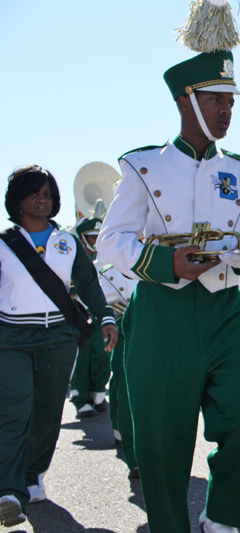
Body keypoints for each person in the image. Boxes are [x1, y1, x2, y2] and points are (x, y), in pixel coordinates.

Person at [96, 6, 240, 529]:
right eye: (215, 100)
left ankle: (222, 520)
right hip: (160, 314)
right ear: (185, 100)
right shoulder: (143, 165)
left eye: (230, 101)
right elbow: (112, 241)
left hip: (223, 310)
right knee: (162, 443)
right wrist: (164, 262)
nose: (226, 110)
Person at [0, 165, 117, 528]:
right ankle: (9, 491)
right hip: (11, 338)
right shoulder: (4, 241)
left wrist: (107, 317)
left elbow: (88, 282)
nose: (42, 199)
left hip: (58, 338)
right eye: (34, 192)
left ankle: (33, 473)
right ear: (17, 200)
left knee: (49, 410)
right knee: (15, 410)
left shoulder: (66, 241)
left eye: (48, 194)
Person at [98, 255, 140, 478]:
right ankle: (134, 455)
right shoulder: (106, 271)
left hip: (156, 332)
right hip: (124, 333)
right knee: (126, 391)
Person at [69, 216, 113, 418]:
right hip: (78, 315)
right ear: (81, 238)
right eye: (91, 237)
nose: (96, 241)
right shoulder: (70, 258)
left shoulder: (104, 257)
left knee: (103, 355)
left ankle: (99, 390)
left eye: (98, 236)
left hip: (100, 314)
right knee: (82, 358)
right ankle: (83, 400)